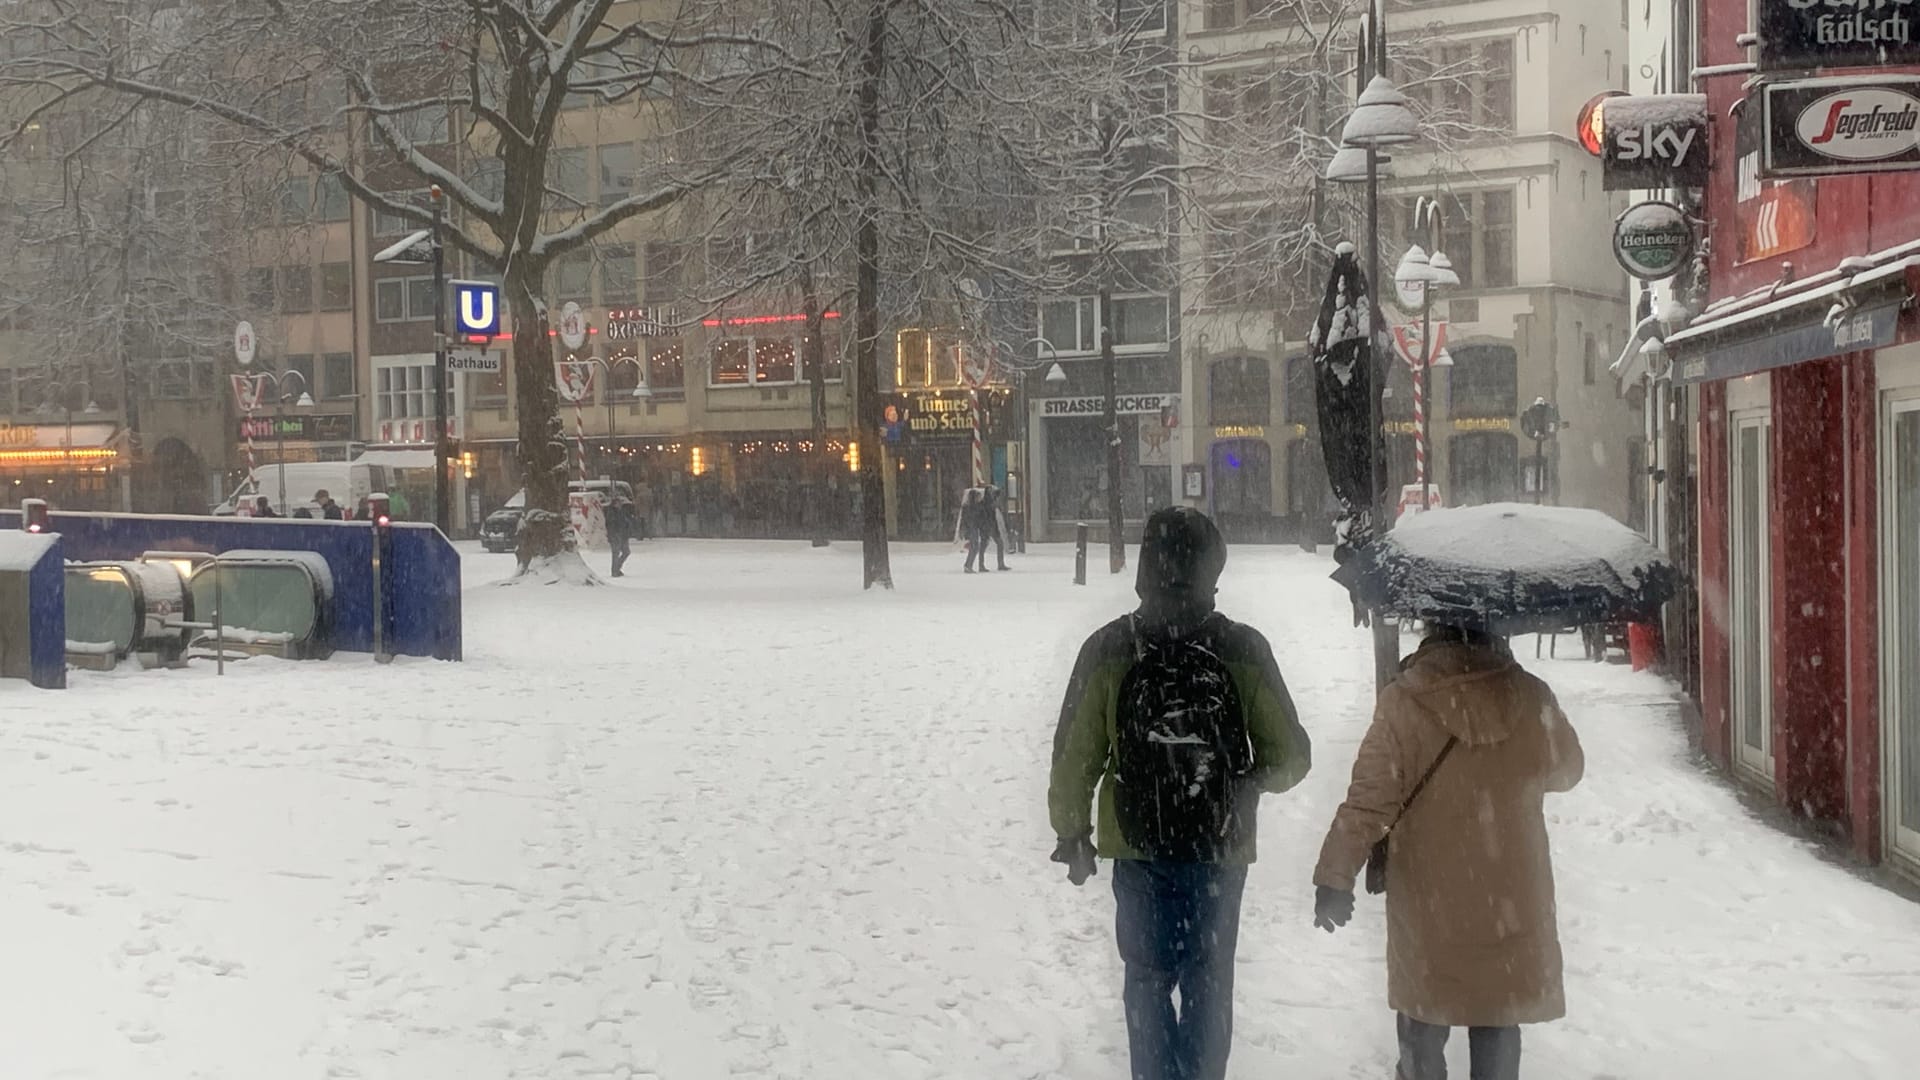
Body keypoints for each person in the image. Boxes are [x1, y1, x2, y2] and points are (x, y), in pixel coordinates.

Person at [1049, 507, 1312, 1080]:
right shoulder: (1241, 648)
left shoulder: (1109, 647)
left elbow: (1075, 754)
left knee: (1145, 979)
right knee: (1208, 979)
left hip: (1138, 842)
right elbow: (1291, 757)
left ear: (1145, 568)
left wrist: (1072, 831)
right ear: (1213, 568)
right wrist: (1244, 783)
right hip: (1220, 848)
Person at [1311, 624, 1585, 1080]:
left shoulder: (1403, 701)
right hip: (1510, 893)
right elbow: (1568, 772)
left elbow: (1369, 801)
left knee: (1423, 1016)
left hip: (1428, 897)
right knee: (1497, 1015)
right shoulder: (1531, 694)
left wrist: (1334, 876)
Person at [980, 483, 1011, 571]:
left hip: (991, 526)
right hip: (988, 526)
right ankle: (982, 565)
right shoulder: (986, 503)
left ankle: (999, 564)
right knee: (984, 546)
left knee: (996, 544)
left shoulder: (990, 502)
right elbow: (985, 516)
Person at [960, 487, 989, 574]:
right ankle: (968, 565)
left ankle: (968, 565)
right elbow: (977, 519)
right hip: (973, 528)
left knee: (974, 547)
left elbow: (964, 519)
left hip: (972, 528)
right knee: (974, 547)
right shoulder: (975, 507)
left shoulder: (968, 507)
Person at [606, 497, 634, 577]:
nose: (620, 504)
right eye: (618, 503)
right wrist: (614, 534)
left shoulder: (621, 512)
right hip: (615, 536)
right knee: (616, 553)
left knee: (626, 552)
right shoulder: (612, 513)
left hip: (623, 535)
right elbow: (611, 525)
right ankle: (615, 570)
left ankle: (617, 567)